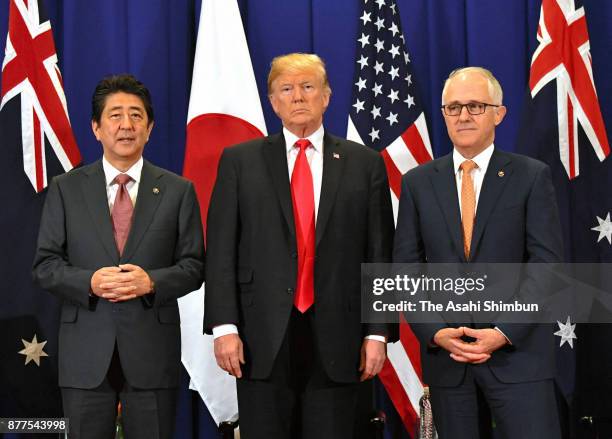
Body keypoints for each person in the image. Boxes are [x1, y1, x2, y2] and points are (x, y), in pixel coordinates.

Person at [204, 53, 395, 438]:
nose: (298, 97)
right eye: (286, 89)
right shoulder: (240, 161)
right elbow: (222, 249)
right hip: (260, 338)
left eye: (308, 87)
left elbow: (380, 255)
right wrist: (225, 326)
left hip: (341, 337)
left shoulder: (365, 163)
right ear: (273, 102)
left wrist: (378, 333)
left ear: (326, 96)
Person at [393, 67, 563, 438]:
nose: (464, 116)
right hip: (449, 363)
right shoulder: (419, 182)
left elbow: (547, 265)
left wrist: (503, 331)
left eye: (475, 106)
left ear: (499, 113)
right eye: (454, 107)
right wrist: (436, 333)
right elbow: (405, 268)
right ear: (443, 114)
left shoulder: (531, 176)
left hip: (519, 359)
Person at [32, 74, 205, 439]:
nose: (126, 125)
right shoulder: (66, 189)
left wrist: (152, 281)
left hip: (152, 356)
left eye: (136, 115)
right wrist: (89, 282)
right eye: (115, 115)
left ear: (150, 127)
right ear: (96, 128)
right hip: (85, 356)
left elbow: (194, 267)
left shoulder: (178, 190)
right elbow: (45, 266)